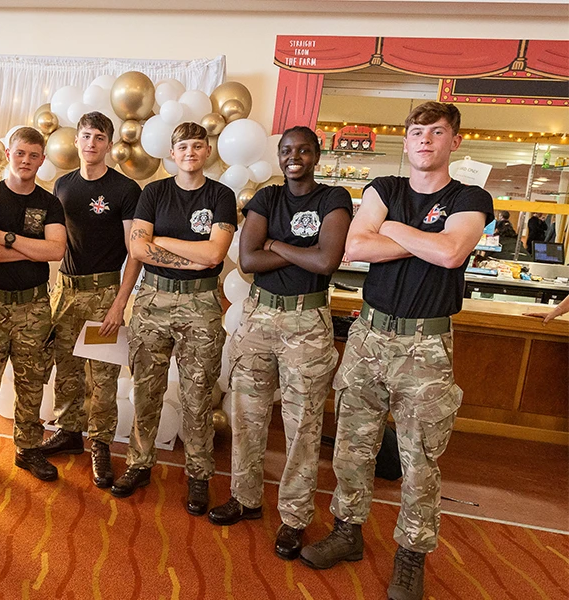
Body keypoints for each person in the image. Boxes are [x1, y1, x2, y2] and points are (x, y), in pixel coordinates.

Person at [299, 102, 492, 600]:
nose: (425, 140)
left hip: (426, 345)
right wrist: (427, 239)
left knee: (421, 458)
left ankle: (411, 555)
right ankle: (347, 533)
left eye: (436, 131)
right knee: (352, 446)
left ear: (454, 141)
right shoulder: (384, 187)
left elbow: (452, 253)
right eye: (416, 132)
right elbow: (354, 249)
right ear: (405, 142)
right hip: (368, 335)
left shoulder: (471, 196)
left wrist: (390, 230)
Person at [207, 126, 352, 561]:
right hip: (258, 316)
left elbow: (327, 260)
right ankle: (245, 498)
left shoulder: (333, 199)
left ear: (316, 155)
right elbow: (249, 261)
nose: (294, 157)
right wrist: (296, 249)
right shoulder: (266, 198)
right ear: (279, 155)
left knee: (302, 426)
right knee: (246, 414)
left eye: (303, 150)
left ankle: (293, 517)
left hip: (307, 321)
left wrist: (275, 243)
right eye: (287, 151)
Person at [111, 122, 235, 516]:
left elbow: (214, 255)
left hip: (200, 305)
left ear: (207, 151)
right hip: (153, 301)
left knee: (198, 395)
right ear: (172, 152)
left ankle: (198, 474)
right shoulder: (154, 192)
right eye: (183, 146)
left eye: (198, 146)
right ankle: (139, 462)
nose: (191, 153)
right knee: (145, 388)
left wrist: (160, 242)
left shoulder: (222, 195)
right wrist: (187, 255)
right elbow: (137, 248)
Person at [40, 112, 142, 488]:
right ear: (77, 141)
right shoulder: (63, 186)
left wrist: (119, 302)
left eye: (99, 137)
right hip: (66, 292)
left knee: (101, 376)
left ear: (109, 144)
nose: (91, 143)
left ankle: (99, 442)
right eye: (86, 136)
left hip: (103, 295)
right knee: (65, 369)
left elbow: (136, 252)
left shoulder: (125, 190)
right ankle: (69, 433)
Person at [0, 127, 67, 482]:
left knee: (31, 380)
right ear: (8, 154)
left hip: (34, 306)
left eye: (34, 155)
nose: (26, 161)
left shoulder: (49, 202)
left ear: (42, 159)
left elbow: (55, 251)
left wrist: (5, 238)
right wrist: (28, 249)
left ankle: (28, 448)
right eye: (20, 153)